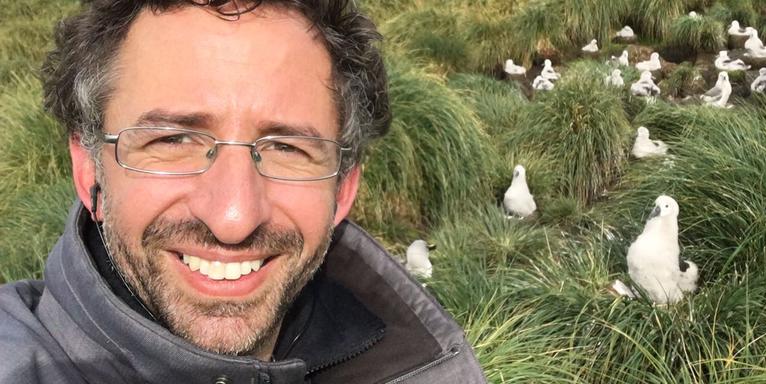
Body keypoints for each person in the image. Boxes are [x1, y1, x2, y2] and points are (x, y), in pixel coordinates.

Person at [0, 1, 486, 382]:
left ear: (344, 188)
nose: (233, 216)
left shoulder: (428, 368)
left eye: (286, 148)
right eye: (173, 140)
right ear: (89, 172)